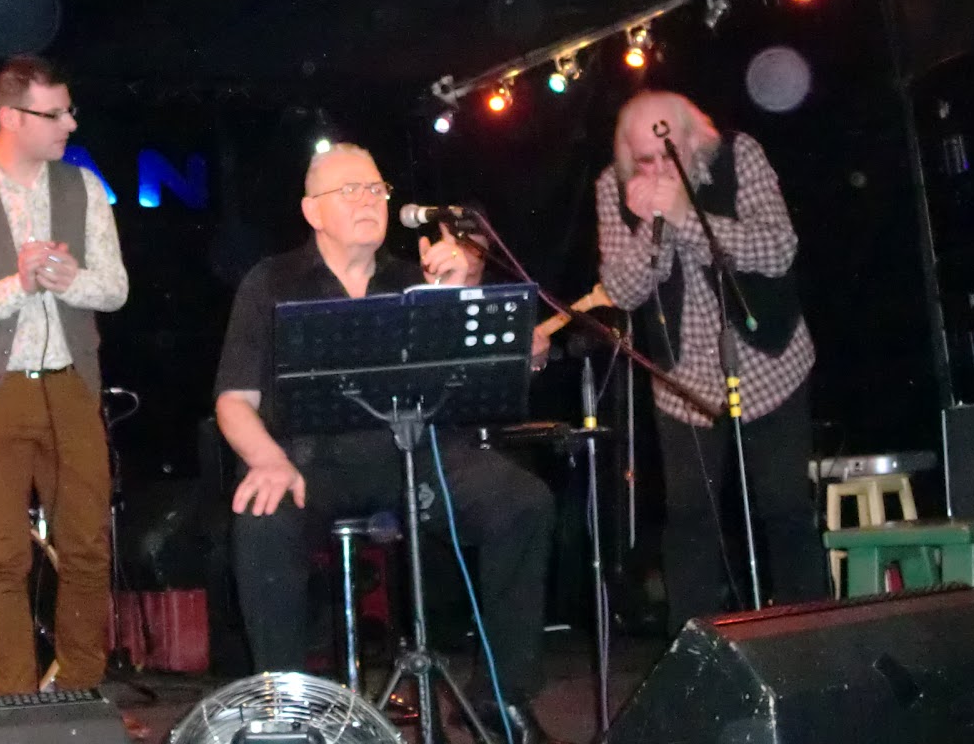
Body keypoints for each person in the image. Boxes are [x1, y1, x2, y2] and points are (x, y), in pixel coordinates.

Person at [214, 143, 558, 743]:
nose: (369, 200)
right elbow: (233, 401)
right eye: (349, 190)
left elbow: (471, 381)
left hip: (418, 454)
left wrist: (494, 326)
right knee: (261, 518)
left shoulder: (414, 280)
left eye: (376, 189)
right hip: (311, 462)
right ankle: (286, 714)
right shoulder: (271, 282)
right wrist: (266, 459)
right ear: (312, 211)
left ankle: (502, 698)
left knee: (521, 500)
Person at [0, 56, 128, 695]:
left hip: (71, 384)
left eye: (68, 109)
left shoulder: (83, 187)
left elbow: (117, 289)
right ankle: (17, 707)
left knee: (89, 549)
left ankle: (80, 696)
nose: (70, 122)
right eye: (55, 113)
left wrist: (73, 280)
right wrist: (20, 283)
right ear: (10, 117)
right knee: (2, 558)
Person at [594, 90, 825, 631]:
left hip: (768, 360)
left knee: (785, 505)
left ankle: (810, 635)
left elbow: (777, 248)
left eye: (665, 154)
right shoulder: (612, 186)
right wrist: (654, 229)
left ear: (693, 136)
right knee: (690, 517)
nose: (655, 168)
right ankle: (693, 651)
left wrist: (686, 216)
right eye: (643, 160)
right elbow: (623, 290)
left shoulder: (741, 156)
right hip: (684, 379)